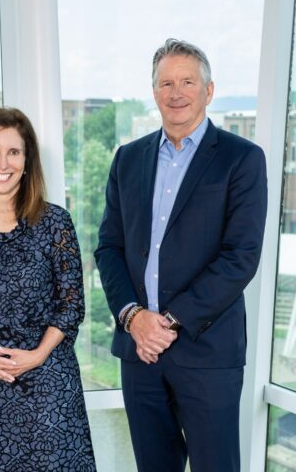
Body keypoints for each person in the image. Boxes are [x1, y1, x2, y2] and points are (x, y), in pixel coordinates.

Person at [95, 39, 268, 472]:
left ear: (208, 91)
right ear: (153, 92)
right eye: (166, 83)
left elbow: (240, 257)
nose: (177, 92)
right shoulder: (128, 159)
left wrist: (168, 321)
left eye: (188, 81)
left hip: (207, 353)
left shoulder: (241, 159)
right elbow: (109, 248)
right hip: (140, 353)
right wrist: (134, 318)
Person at [0, 107, 96, 472]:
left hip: (48, 391)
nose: (2, 162)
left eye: (14, 152)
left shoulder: (56, 222)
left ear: (27, 162)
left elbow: (71, 303)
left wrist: (37, 355)